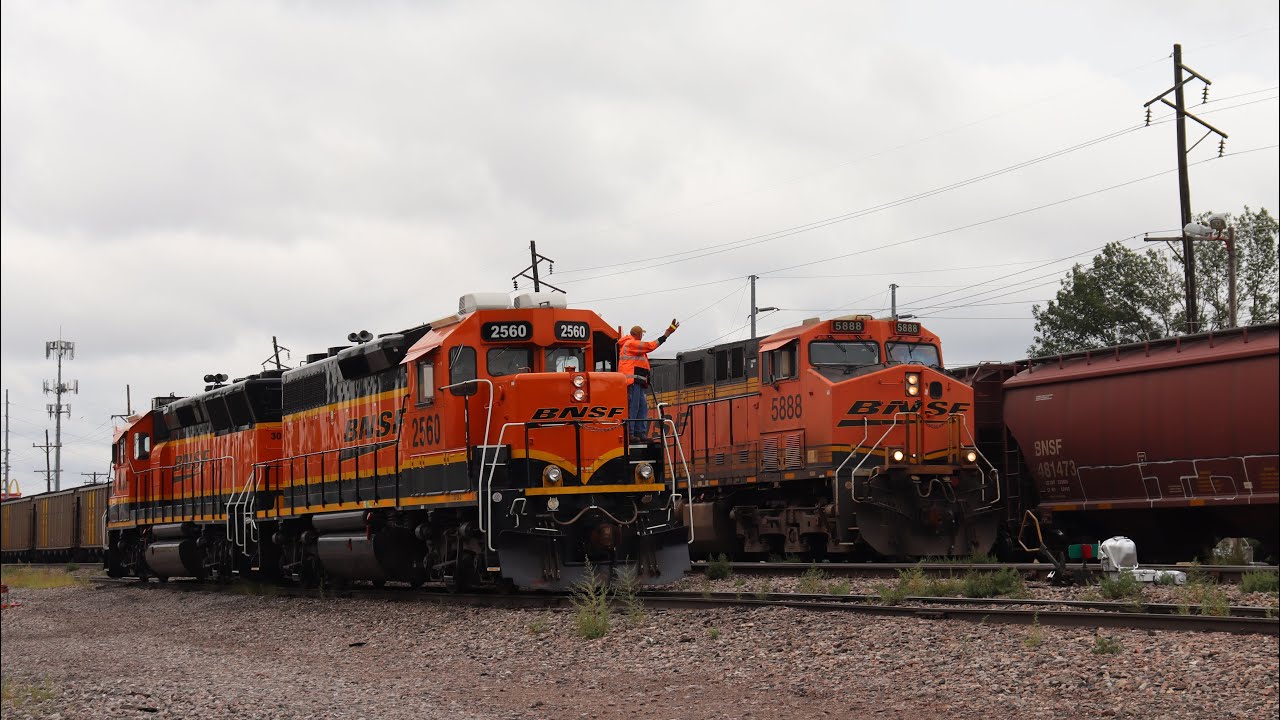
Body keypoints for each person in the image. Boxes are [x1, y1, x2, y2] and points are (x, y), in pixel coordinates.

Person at [618, 319, 679, 442]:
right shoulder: (631, 344)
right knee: (634, 407)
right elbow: (651, 346)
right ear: (639, 334)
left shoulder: (631, 346)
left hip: (638, 383)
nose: (642, 337)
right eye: (642, 334)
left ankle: (640, 433)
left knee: (642, 407)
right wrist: (667, 333)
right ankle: (630, 433)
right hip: (632, 383)